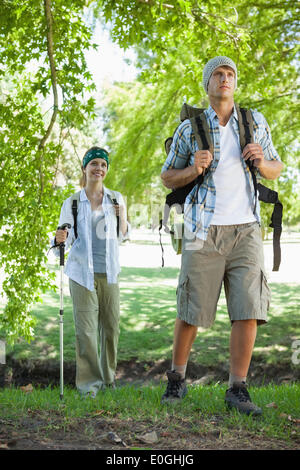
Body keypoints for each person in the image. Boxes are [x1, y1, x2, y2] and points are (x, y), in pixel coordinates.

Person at [160, 56, 283, 415]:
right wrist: (191, 168)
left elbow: (277, 169)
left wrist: (262, 162)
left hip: (247, 227)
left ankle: (237, 389)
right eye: (218, 74)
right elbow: (168, 177)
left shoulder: (254, 121)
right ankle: (177, 379)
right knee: (191, 309)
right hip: (203, 229)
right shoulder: (190, 129)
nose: (225, 79)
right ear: (207, 84)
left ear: (235, 82)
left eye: (230, 74)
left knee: (248, 308)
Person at [53, 146, 130, 397]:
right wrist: (59, 238)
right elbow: (63, 241)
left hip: (109, 273)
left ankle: (108, 380)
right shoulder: (72, 202)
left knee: (111, 329)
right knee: (86, 332)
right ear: (85, 168)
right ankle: (89, 387)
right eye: (94, 164)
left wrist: (122, 219)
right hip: (81, 275)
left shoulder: (116, 198)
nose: (99, 168)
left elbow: (124, 236)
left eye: (103, 165)